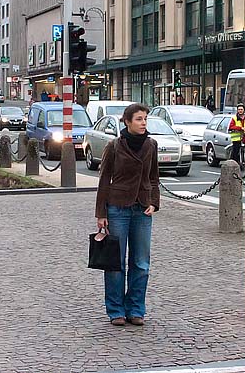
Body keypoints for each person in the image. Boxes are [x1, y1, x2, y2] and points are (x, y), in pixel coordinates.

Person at [95, 103, 160, 327]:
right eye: (139, 119)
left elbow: (154, 177)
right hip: (118, 207)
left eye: (145, 119)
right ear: (127, 122)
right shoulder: (114, 146)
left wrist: (154, 202)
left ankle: (136, 309)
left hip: (142, 208)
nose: (143, 123)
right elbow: (104, 180)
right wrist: (101, 212)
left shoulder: (151, 145)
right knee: (116, 262)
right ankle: (115, 310)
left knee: (141, 262)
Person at [228, 102, 245, 177]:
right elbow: (231, 127)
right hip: (237, 138)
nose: (240, 111)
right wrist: (240, 128)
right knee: (235, 153)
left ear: (244, 110)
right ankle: (233, 168)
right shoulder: (234, 118)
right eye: (239, 109)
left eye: (241, 109)